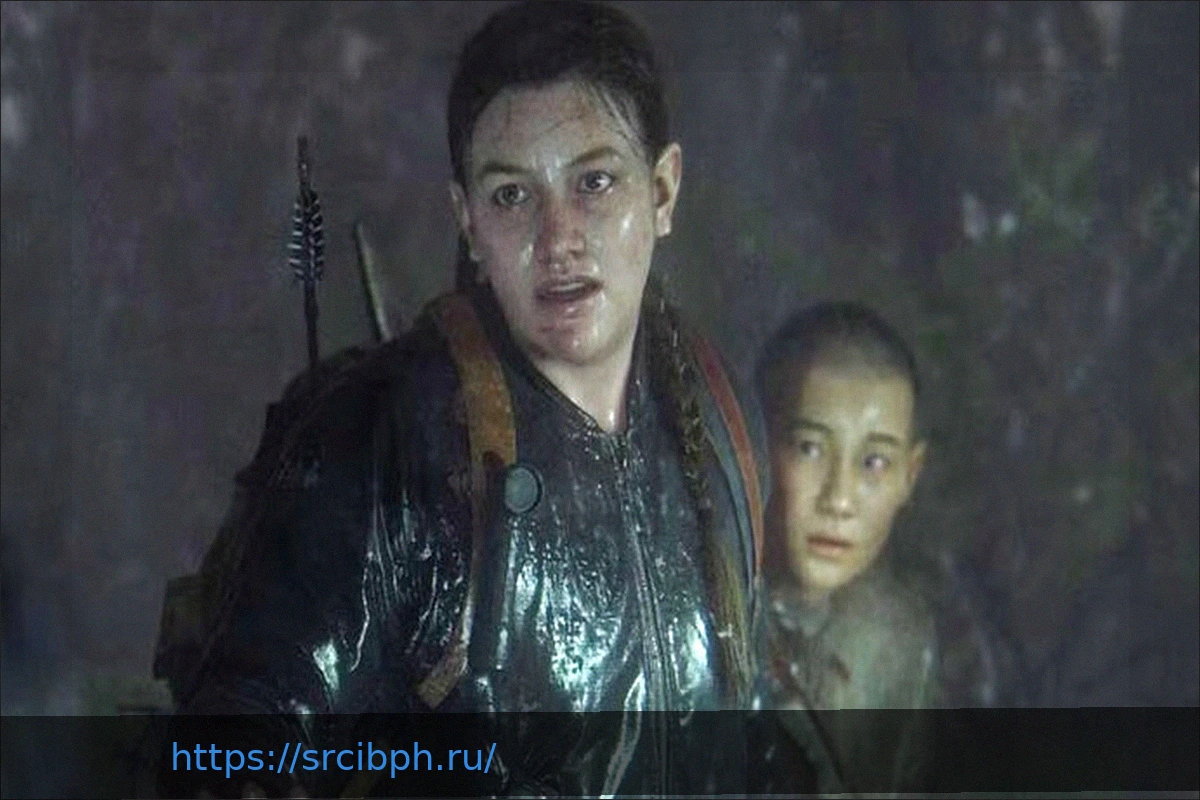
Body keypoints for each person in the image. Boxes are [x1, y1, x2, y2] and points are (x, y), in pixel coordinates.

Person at [151, 1, 796, 796]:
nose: (558, 238)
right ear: (467, 220)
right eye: (512, 195)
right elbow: (233, 751)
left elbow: (746, 729)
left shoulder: (720, 415)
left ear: (661, 191)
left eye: (594, 183)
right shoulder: (387, 437)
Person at [754, 301, 940, 793]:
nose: (838, 499)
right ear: (757, 447)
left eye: (874, 462)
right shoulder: (699, 618)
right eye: (810, 448)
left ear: (909, 475)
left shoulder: (898, 640)